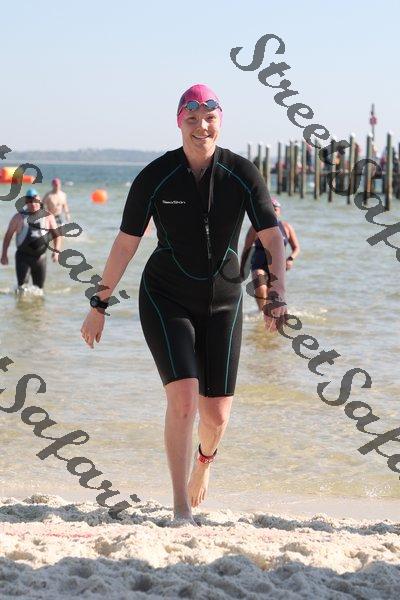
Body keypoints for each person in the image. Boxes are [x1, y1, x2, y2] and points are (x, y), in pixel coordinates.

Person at [80, 84, 287, 524]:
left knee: (217, 416)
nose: (201, 126)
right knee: (185, 400)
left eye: (209, 118)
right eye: (191, 118)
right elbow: (125, 243)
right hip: (166, 296)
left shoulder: (242, 173)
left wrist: (277, 295)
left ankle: (204, 463)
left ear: (220, 121)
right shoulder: (156, 176)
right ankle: (179, 507)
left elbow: (272, 238)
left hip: (225, 302)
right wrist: (99, 304)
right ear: (179, 123)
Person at [240, 198, 300, 312]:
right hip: (259, 262)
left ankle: (269, 313)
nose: (273, 212)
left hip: (277, 266)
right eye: (270, 209)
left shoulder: (286, 227)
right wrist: (242, 269)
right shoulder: (255, 227)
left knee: (272, 295)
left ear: (279, 211)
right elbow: (246, 249)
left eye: (275, 209)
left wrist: (291, 258)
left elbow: (296, 248)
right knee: (260, 284)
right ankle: (261, 312)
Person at [1, 188, 61, 289]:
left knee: (39, 290)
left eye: (35, 200)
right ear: (26, 202)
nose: (33, 204)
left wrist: (56, 251)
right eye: (30, 201)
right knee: (22, 288)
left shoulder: (48, 217)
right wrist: (4, 254)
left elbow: (57, 235)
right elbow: (8, 236)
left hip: (40, 258)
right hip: (23, 258)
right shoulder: (18, 217)